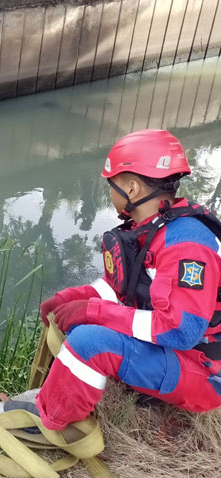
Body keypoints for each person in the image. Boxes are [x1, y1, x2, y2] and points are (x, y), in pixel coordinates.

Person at [36, 129, 221, 431]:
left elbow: (180, 329)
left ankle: (52, 424)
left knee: (89, 342)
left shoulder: (185, 244)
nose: (110, 193)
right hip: (181, 353)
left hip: (205, 371)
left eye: (113, 185)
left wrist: (93, 312)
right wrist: (70, 298)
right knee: (84, 321)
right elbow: (121, 290)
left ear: (132, 188)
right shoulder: (153, 227)